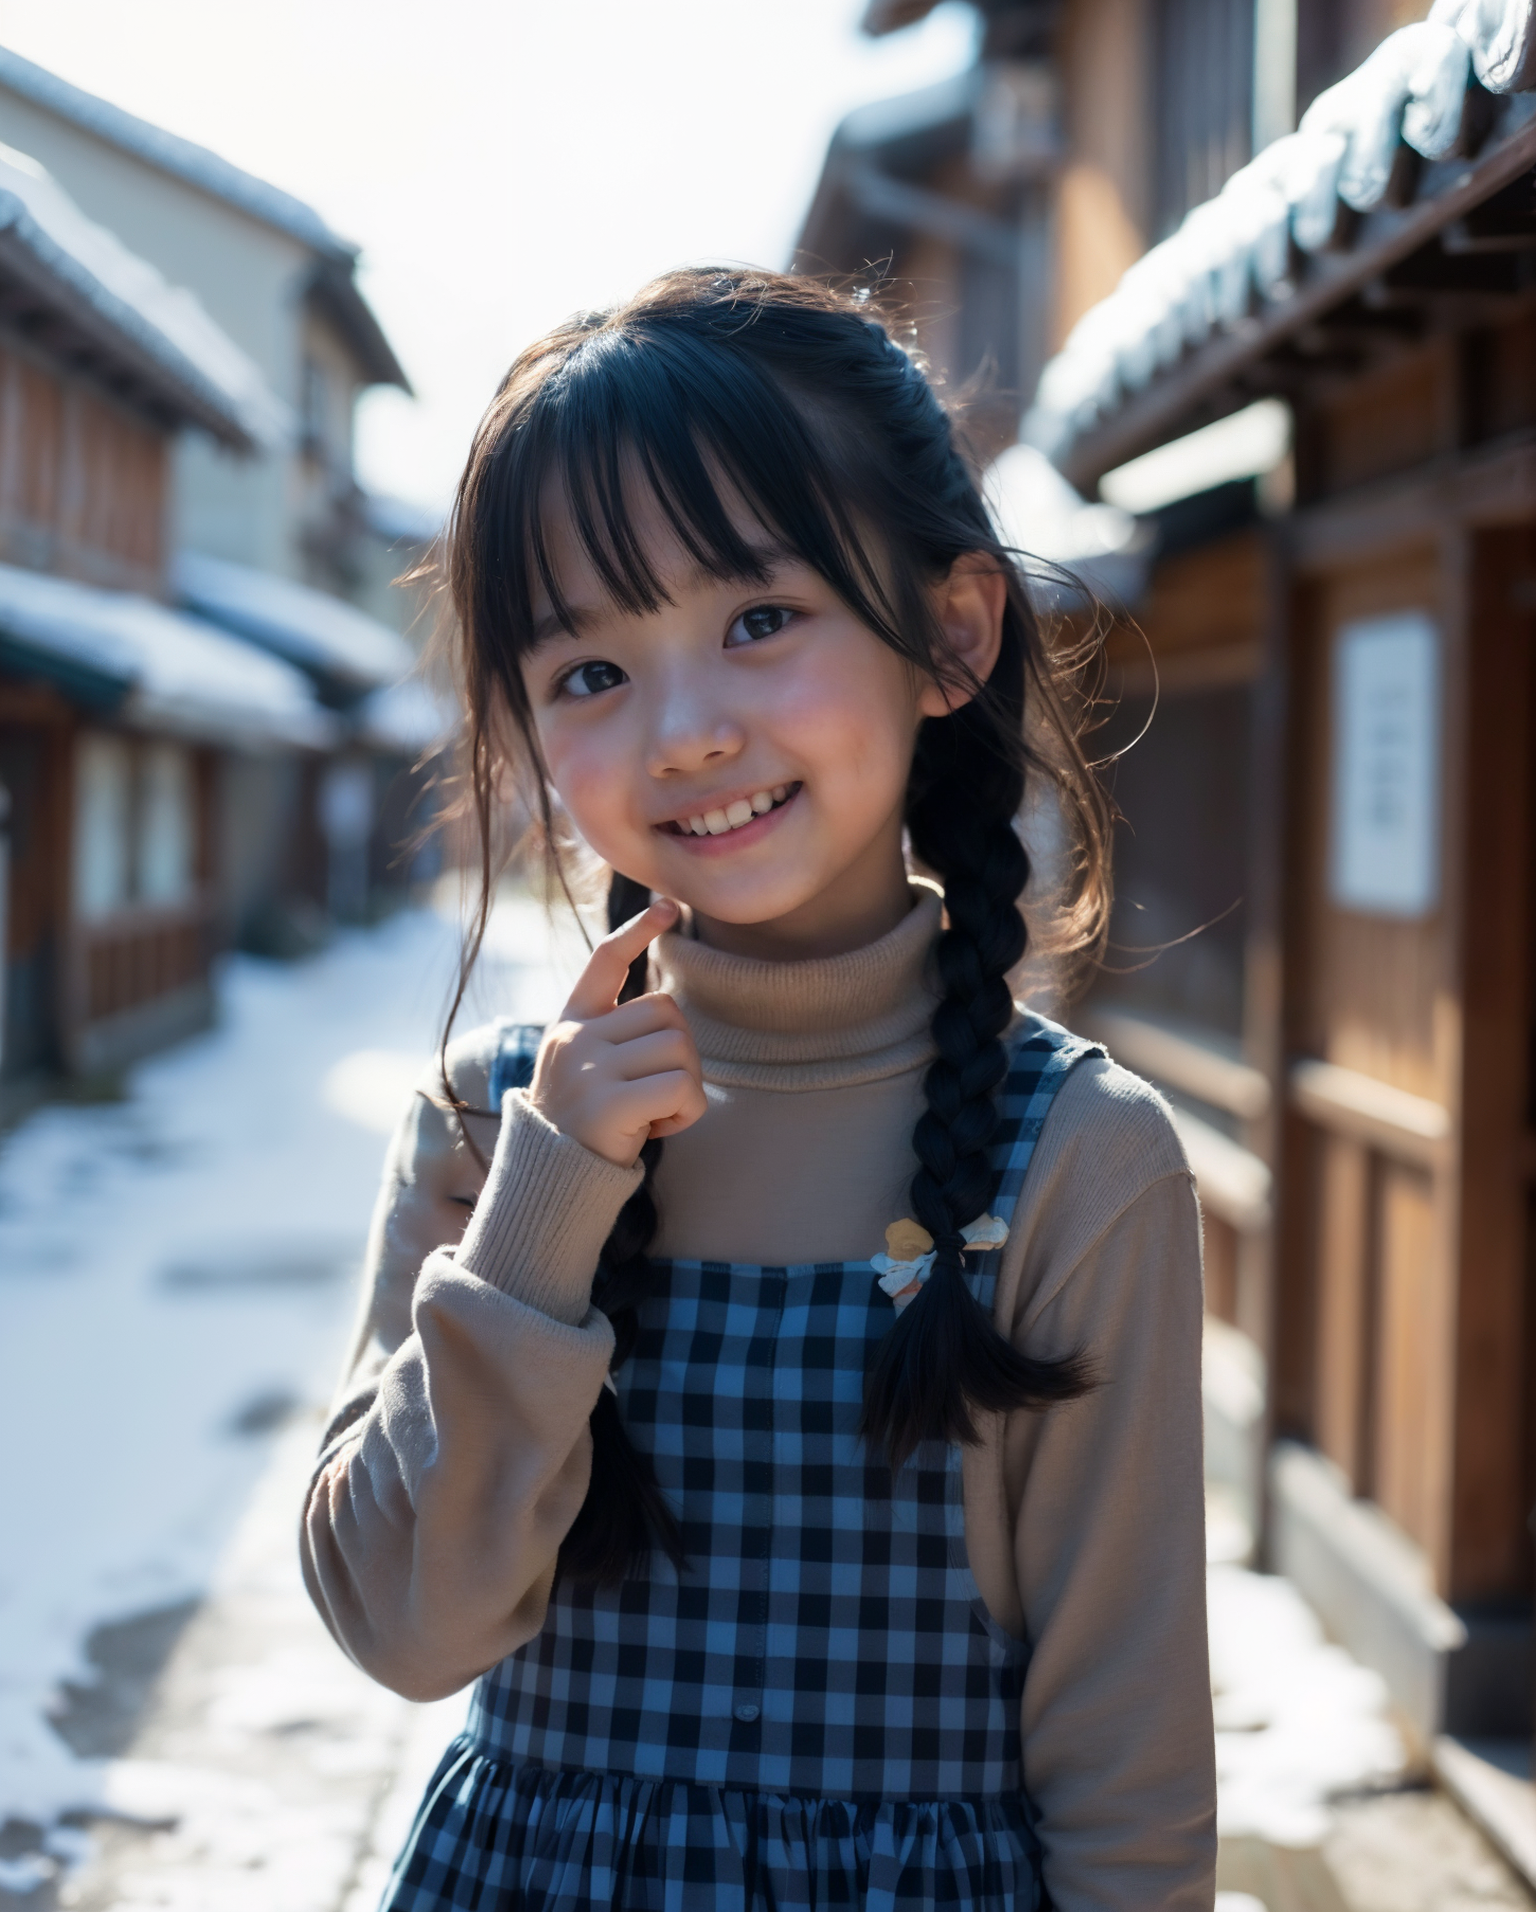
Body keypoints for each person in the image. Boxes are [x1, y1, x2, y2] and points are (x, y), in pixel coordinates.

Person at [301, 268, 1215, 1911]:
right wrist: (545, 1202)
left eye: (758, 620)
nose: (686, 731)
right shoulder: (491, 1126)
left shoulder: (1076, 1159)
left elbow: (1127, 1761)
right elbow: (403, 1632)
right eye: (589, 672)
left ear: (949, 631)